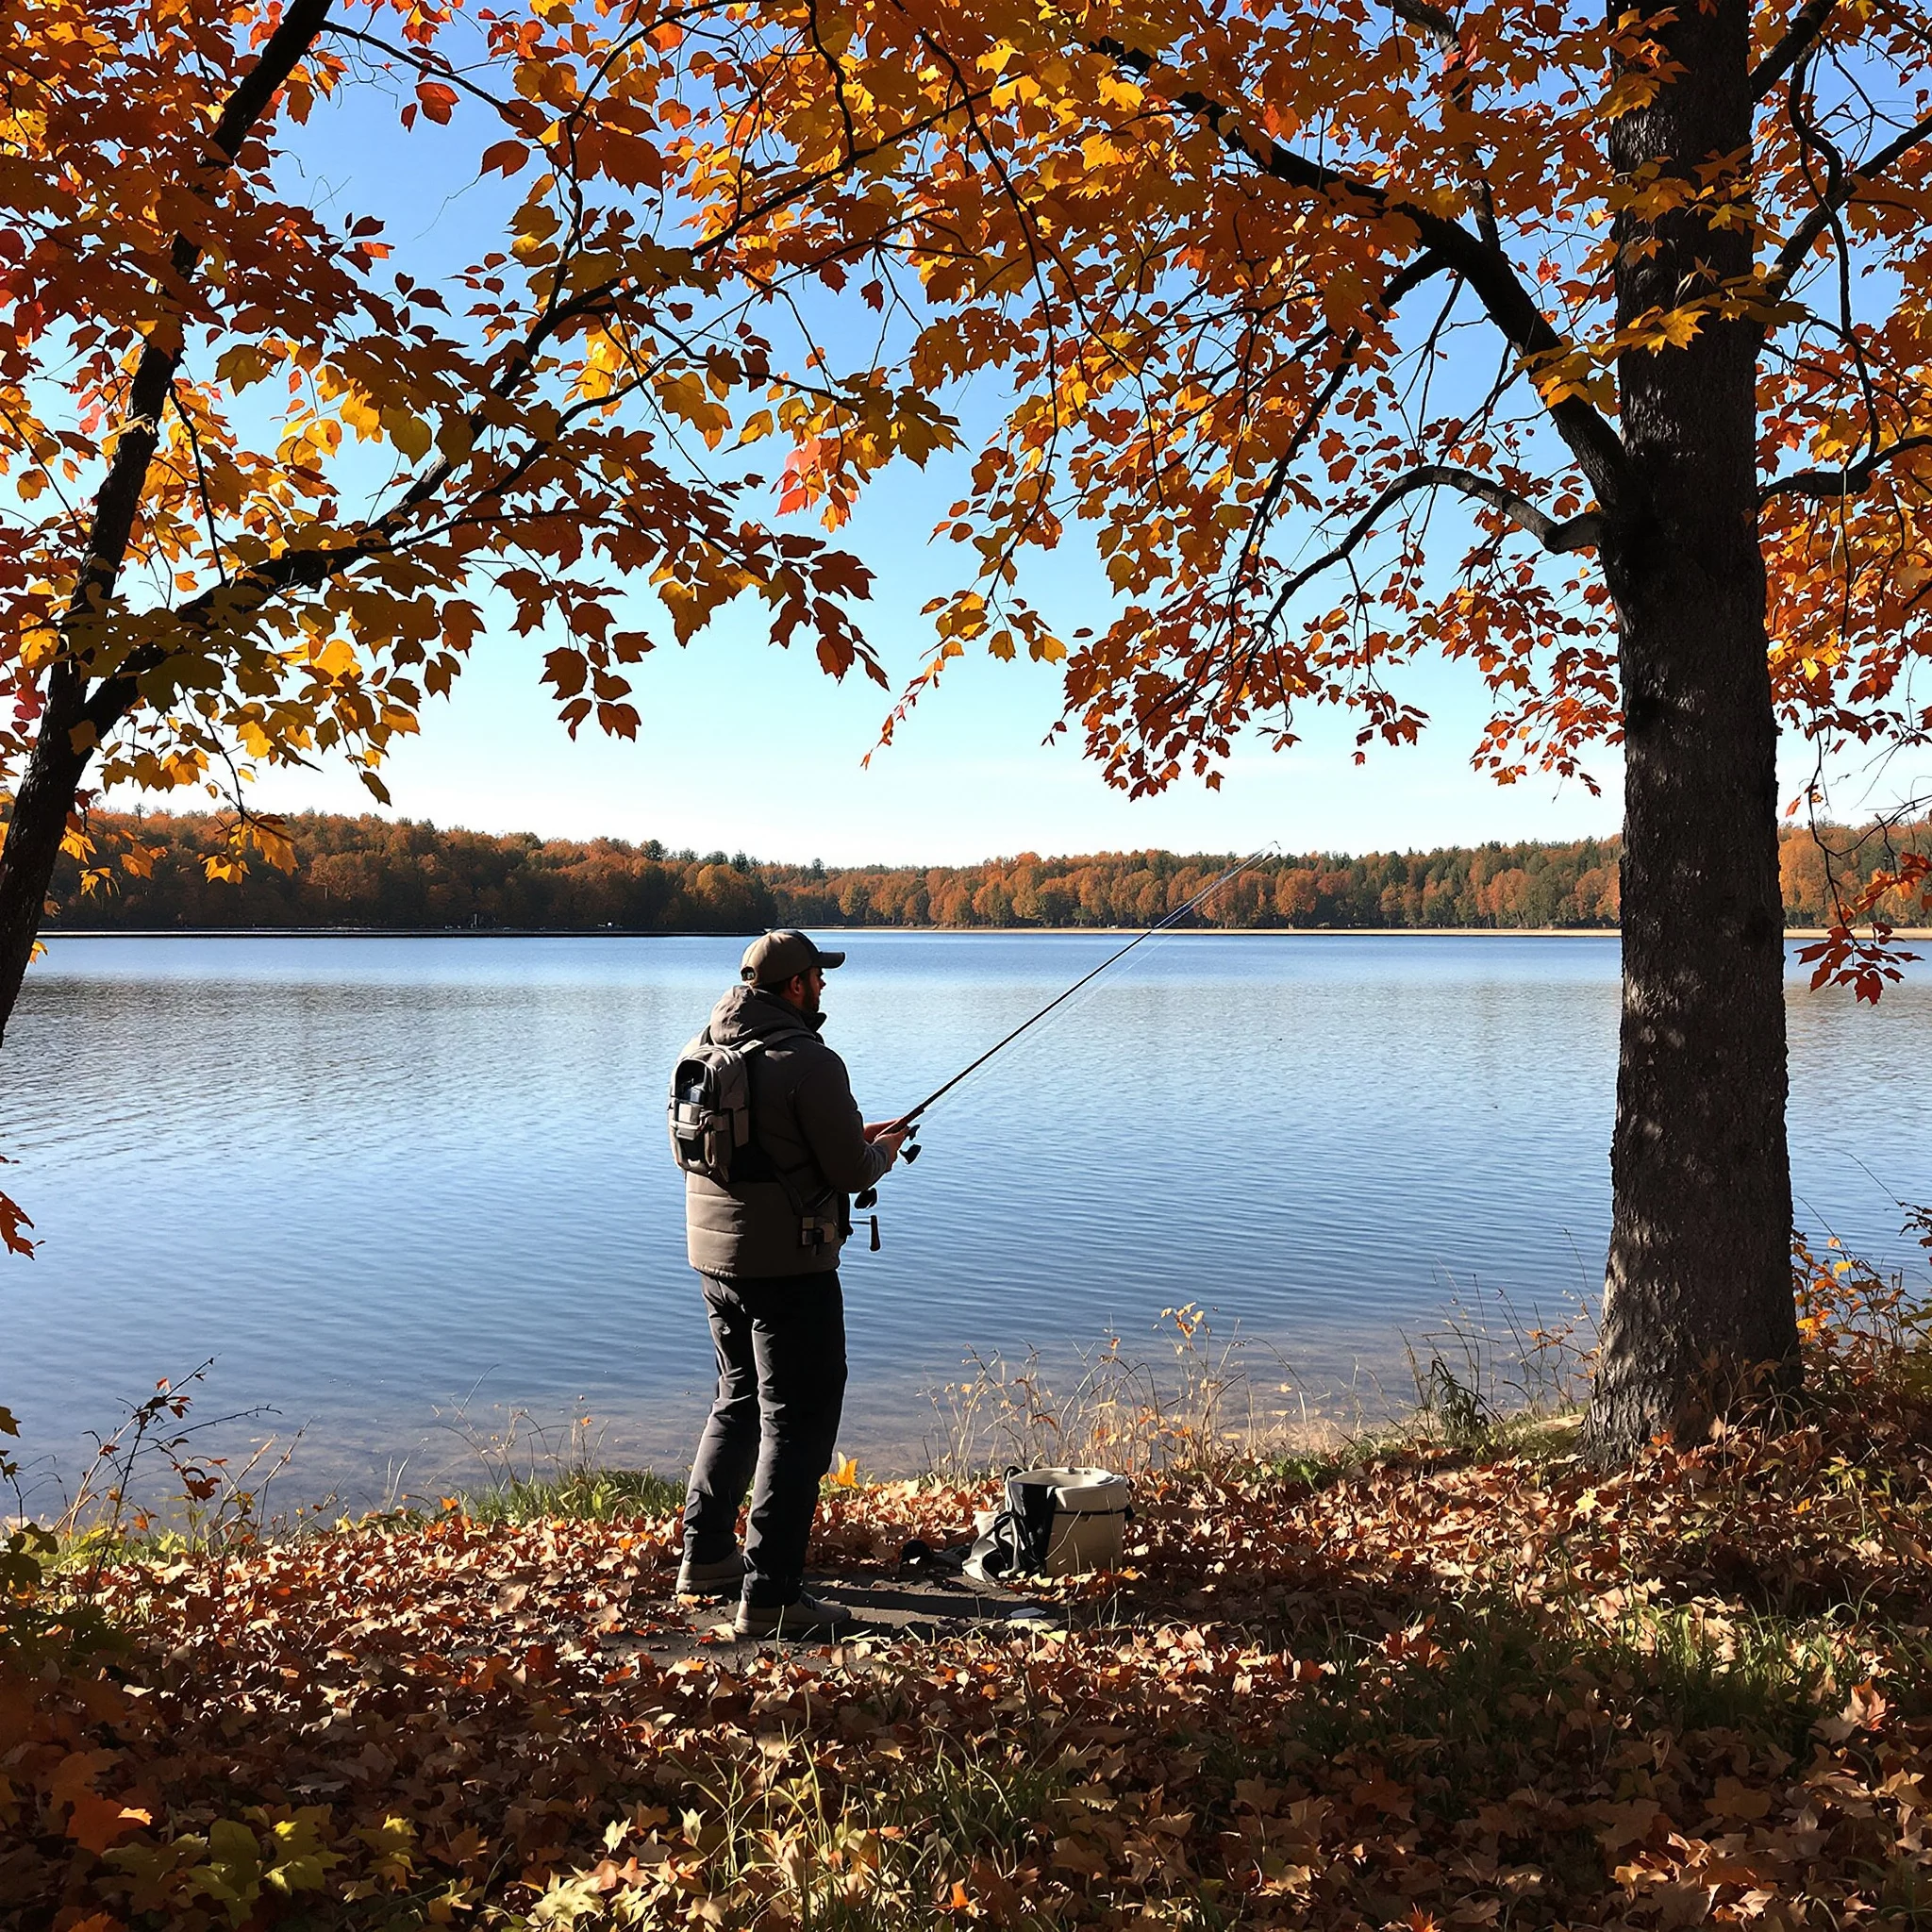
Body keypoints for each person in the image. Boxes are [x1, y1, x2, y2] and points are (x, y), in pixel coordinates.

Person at [675, 928, 908, 1639]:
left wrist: (855, 1139)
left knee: (737, 1401)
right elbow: (850, 1172)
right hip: (789, 1268)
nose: (824, 985)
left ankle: (706, 1557)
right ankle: (772, 1593)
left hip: (716, 1262)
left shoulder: (702, 1049)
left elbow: (759, 1148)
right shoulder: (811, 1060)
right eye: (817, 975)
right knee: (798, 1420)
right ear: (794, 986)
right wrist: (881, 1152)